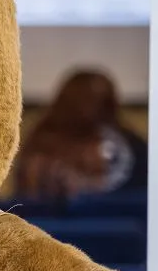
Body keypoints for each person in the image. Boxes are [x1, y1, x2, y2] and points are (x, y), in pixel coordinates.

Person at [13, 68, 148, 201]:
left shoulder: (131, 144)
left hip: (120, 218)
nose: (92, 109)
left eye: (104, 102)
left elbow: (143, 193)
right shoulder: (42, 142)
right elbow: (28, 198)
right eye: (86, 100)